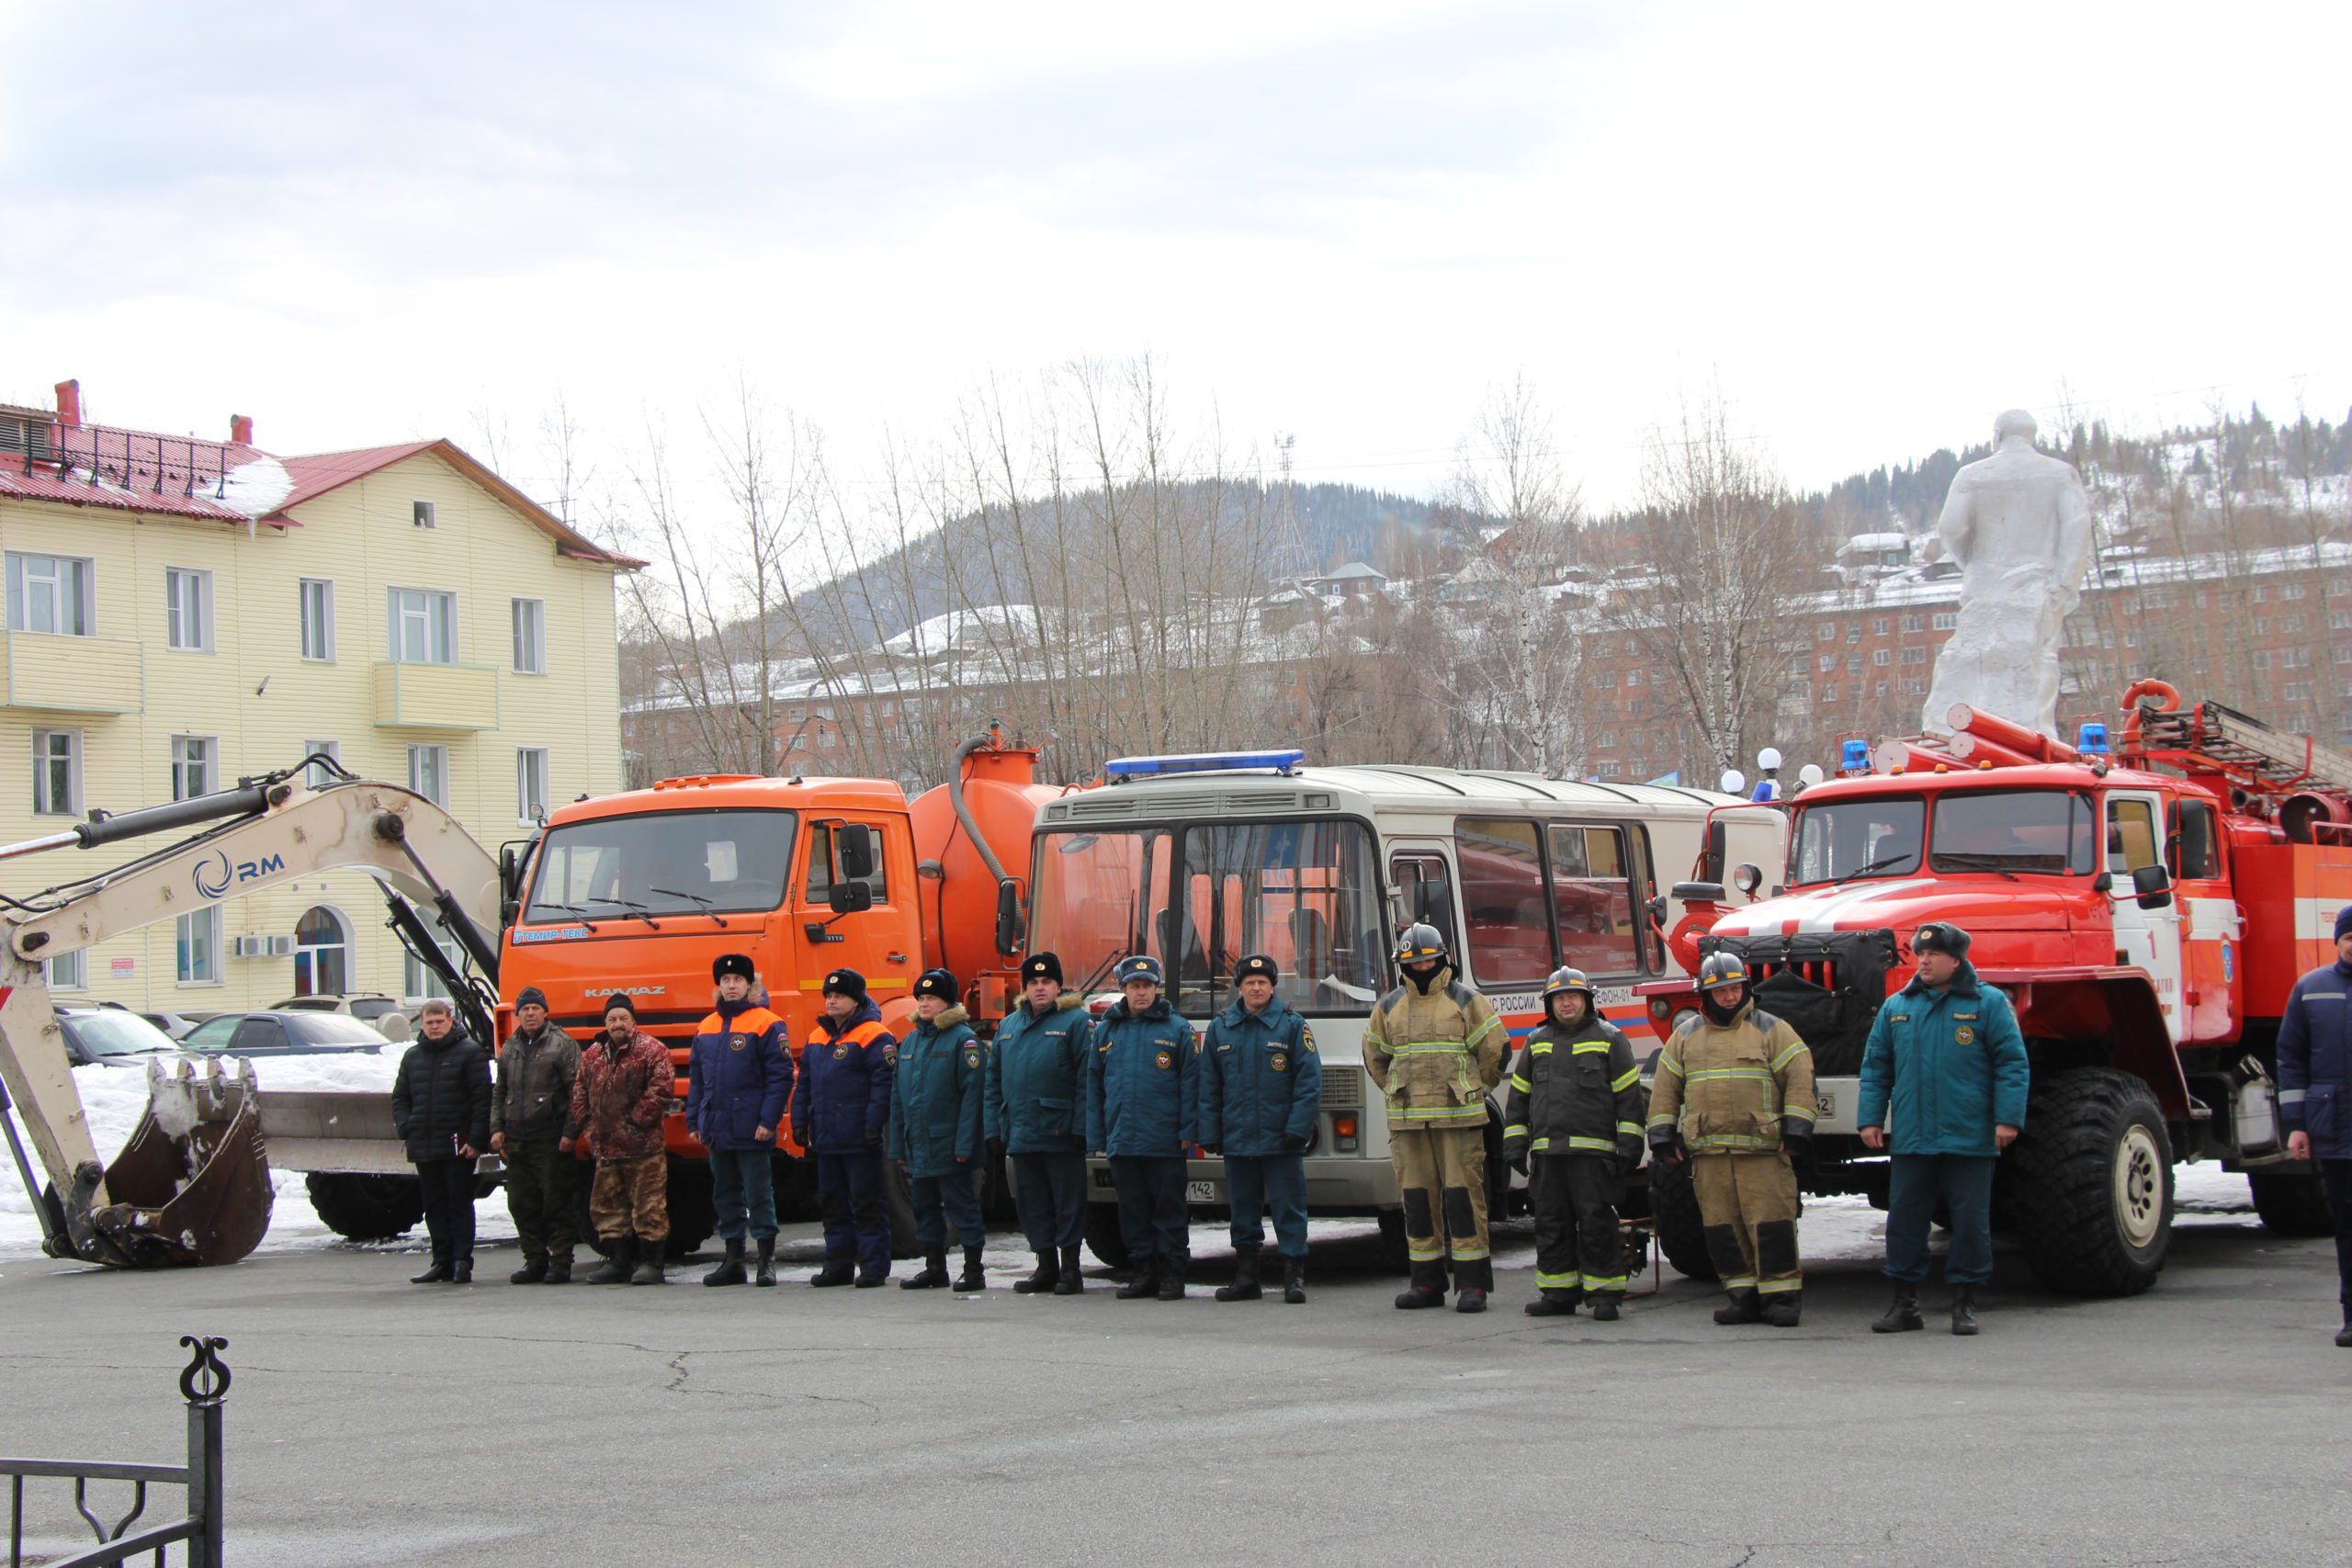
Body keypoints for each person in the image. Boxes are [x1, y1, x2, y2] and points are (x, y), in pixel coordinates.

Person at [1859, 922, 2030, 1337]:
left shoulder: (1988, 1004)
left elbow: (2012, 1063)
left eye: (1933, 955)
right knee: (1905, 1221)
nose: (1925, 961)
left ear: (1957, 959)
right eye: (1920, 955)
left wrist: (2007, 1119)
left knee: (1970, 1223)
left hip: (1968, 1137)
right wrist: (1870, 1119)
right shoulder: (1897, 1007)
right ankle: (1905, 1304)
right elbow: (1877, 1067)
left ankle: (1964, 1304)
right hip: (1914, 1138)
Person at [1647, 952, 1816, 1326]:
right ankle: (1742, 1297)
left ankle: (1781, 1299)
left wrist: (1797, 1130)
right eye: (1720, 990)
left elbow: (1801, 1079)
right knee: (1722, 1228)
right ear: (1705, 995)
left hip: (1763, 1151)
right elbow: (1665, 1090)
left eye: (1735, 988)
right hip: (1709, 1153)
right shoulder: (1686, 1037)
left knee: (1771, 1224)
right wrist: (1661, 1136)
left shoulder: (1772, 1030)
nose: (1728, 996)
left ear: (1746, 988)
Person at [1365, 923, 1506, 1313]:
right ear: (1402, 965)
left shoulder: (1466, 1001)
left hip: (1458, 1120)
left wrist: (1473, 1089)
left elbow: (1494, 1052)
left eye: (1427, 959)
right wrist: (1396, 1090)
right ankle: (1426, 1283)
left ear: (1442, 958)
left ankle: (1472, 1286)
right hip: (1409, 1124)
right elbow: (1375, 1058)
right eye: (1413, 961)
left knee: (1464, 1200)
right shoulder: (1388, 1006)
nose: (1421, 966)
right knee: (1417, 1202)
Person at [1502, 967, 1645, 1321]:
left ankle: (1605, 1294)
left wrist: (1629, 1148)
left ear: (1587, 1000)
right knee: (1551, 1223)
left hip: (1593, 1155)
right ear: (1550, 1004)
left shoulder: (1611, 1038)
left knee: (1596, 1223)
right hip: (1549, 1154)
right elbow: (1519, 1099)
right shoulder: (1536, 1042)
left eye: (1573, 996)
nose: (1567, 1003)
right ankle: (1558, 1292)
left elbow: (1630, 1099)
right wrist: (1515, 1146)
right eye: (1560, 998)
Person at [1199, 953, 1320, 1304]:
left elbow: (1309, 1083)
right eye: (1249, 983)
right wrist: (1211, 1133)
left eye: (1262, 983)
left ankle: (1293, 1277)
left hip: (1281, 1140)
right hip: (1237, 1140)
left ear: (1272, 987)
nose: (1256, 988)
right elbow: (1208, 1087)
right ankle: (1246, 1276)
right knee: (1242, 1210)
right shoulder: (1220, 1028)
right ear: (1239, 988)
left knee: (1289, 1208)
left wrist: (1298, 1129)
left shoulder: (1292, 1026)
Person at [1085, 954, 1199, 1302]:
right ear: (1123, 989)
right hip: (1123, 1139)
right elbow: (1094, 1087)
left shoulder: (1177, 1029)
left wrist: (1188, 1133)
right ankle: (1143, 1272)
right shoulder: (1105, 1031)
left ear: (1156, 989)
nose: (1142, 993)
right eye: (1135, 986)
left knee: (1169, 1210)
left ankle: (1173, 1274)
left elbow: (1191, 1085)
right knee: (1132, 1211)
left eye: (1148, 986)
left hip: (1164, 1141)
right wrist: (1097, 1138)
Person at [986, 952, 1091, 1295]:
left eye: (1047, 982)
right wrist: (993, 1130)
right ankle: (1045, 1266)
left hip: (1061, 1131)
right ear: (1025, 988)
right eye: (1033, 982)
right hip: (1021, 1130)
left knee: (1067, 1202)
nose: (1040, 988)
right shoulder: (1008, 1026)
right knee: (1032, 1203)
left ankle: (1071, 1269)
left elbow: (1086, 1080)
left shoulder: (1076, 1022)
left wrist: (1080, 1127)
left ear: (1059, 986)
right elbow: (993, 1083)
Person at [685, 954, 794, 1288]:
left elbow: (781, 1077)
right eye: (726, 980)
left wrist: (768, 1119)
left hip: (752, 1127)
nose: (731, 985)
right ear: (718, 985)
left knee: (758, 1193)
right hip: (717, 1127)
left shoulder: (767, 1023)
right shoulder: (706, 1027)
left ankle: (766, 1261)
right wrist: (695, 1120)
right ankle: (733, 1260)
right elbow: (697, 1079)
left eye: (738, 980)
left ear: (750, 984)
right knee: (725, 1193)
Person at [791, 967, 897, 1288]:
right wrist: (799, 1123)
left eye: (840, 996)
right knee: (833, 1203)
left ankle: (873, 1266)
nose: (832, 1001)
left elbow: (882, 1087)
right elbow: (805, 1085)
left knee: (866, 1202)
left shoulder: (875, 1034)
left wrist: (871, 1127)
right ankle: (837, 1265)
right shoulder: (817, 1037)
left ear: (856, 1000)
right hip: (826, 1137)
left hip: (858, 1138)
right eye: (829, 996)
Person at [2278, 904, 2352, 1348]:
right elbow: (2290, 1058)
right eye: (2350, 939)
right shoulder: (2310, 990)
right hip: (2336, 1129)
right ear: (2339, 942)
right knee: (2346, 1227)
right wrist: (2297, 1124)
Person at [566, 994, 674, 1285]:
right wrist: (588, 1126)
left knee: (648, 1207)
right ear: (605, 1022)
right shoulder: (593, 1054)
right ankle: (618, 1261)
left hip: (644, 1148)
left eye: (623, 1018)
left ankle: (652, 1263)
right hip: (605, 1149)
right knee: (607, 1208)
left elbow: (661, 1091)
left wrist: (634, 1124)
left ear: (633, 1021)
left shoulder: (653, 1050)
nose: (618, 1024)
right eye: (612, 1019)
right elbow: (579, 1092)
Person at [891, 969, 988, 1292]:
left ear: (947, 1003)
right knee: (924, 1207)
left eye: (931, 998)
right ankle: (935, 1267)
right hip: (919, 1144)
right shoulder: (910, 1042)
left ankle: (973, 1269)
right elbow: (899, 1100)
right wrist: (898, 1147)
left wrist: (965, 1145)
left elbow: (973, 1097)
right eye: (920, 998)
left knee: (962, 1208)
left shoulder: (964, 1040)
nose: (924, 1004)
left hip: (949, 1144)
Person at [391, 998, 491, 1284]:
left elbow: (481, 1101)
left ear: (450, 1021)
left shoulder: (470, 1053)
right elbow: (400, 1097)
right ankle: (441, 1261)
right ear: (421, 1024)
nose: (435, 1027)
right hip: (424, 1143)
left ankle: (462, 1262)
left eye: (440, 1022)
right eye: (429, 1022)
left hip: (458, 1144)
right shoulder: (412, 1057)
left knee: (458, 1203)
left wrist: (476, 1139)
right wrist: (406, 1126)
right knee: (433, 1205)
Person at [489, 985, 581, 1284]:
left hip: (550, 1138)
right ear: (517, 1015)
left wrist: (570, 1132)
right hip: (517, 1140)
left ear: (545, 1012)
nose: (529, 1014)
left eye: (535, 1008)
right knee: (520, 1203)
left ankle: (561, 1261)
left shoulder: (563, 1044)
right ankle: (535, 1260)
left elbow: (576, 1093)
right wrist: (497, 1127)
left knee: (555, 1202)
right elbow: (499, 1091)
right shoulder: (510, 1047)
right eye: (524, 1009)